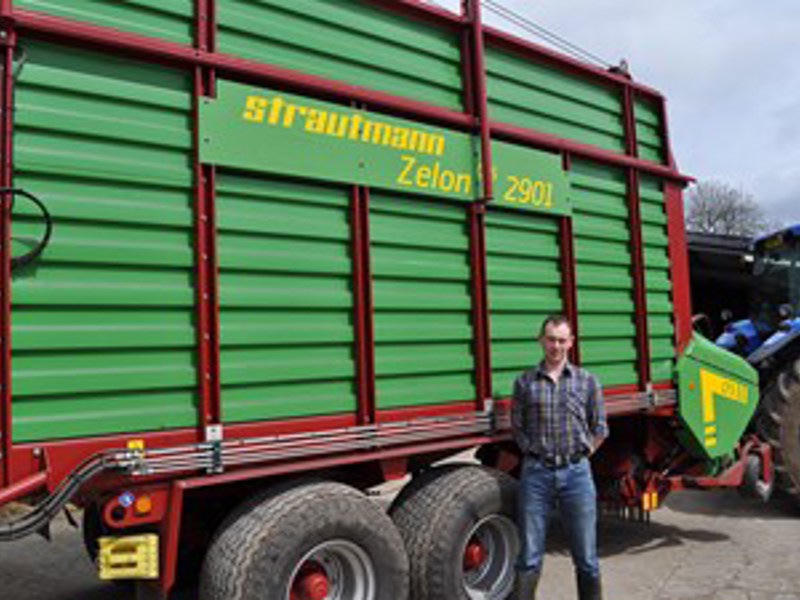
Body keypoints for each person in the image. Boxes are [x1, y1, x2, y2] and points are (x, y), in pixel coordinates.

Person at [511, 314, 608, 600]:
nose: (556, 346)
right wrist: (530, 449)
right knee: (528, 556)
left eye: (562, 340)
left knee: (587, 558)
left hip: (577, 474)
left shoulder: (588, 381)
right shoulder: (525, 382)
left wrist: (585, 452)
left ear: (571, 343)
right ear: (541, 340)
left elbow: (600, 427)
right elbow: (517, 425)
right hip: (536, 474)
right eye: (551, 339)